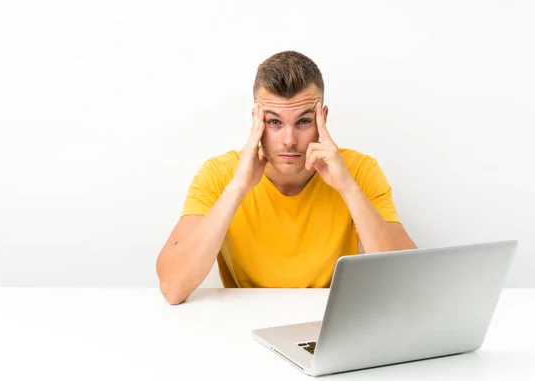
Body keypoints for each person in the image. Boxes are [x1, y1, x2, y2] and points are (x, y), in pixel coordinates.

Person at [156, 51, 417, 305]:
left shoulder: (358, 171)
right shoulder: (219, 174)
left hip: (326, 320)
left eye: (303, 121)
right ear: (256, 120)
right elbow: (172, 287)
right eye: (274, 123)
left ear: (322, 119)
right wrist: (238, 187)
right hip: (240, 324)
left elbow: (408, 282)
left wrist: (348, 188)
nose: (289, 140)